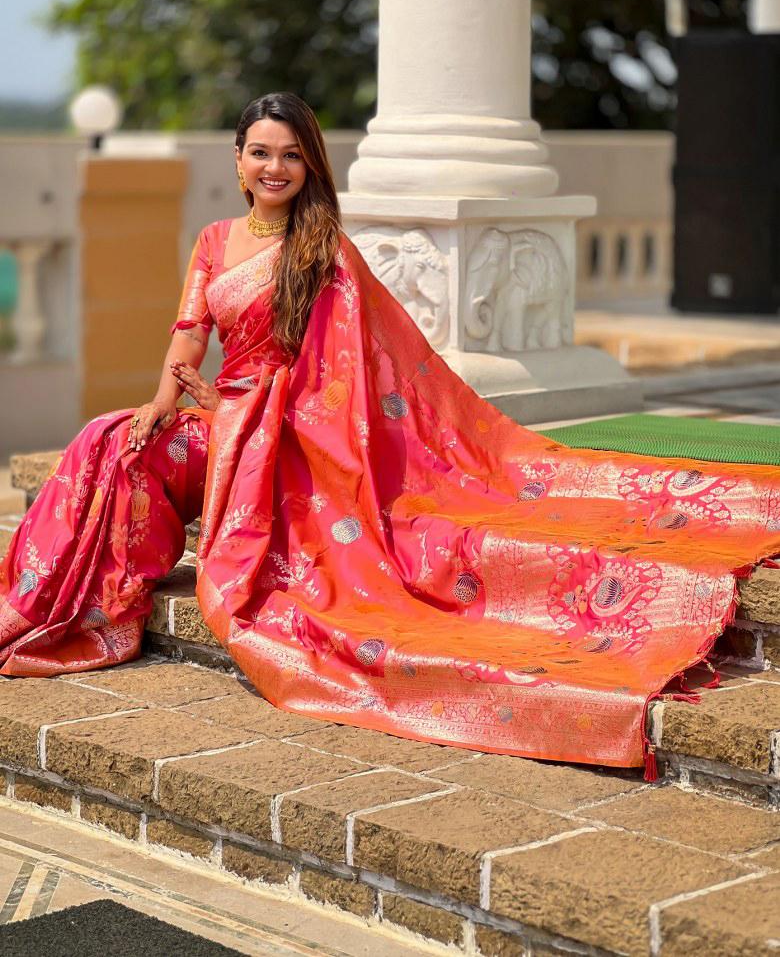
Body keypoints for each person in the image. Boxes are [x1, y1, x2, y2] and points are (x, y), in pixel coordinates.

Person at [1, 92, 778, 779]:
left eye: (292, 156)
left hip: (285, 435)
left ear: (310, 166)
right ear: (237, 161)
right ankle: (75, 608)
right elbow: (187, 332)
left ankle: (87, 609)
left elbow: (337, 378)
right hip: (220, 417)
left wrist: (252, 405)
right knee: (112, 439)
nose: (276, 168)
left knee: (134, 444)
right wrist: (164, 398)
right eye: (262, 153)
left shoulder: (323, 250)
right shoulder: (212, 242)